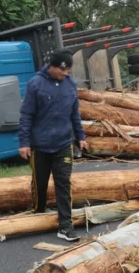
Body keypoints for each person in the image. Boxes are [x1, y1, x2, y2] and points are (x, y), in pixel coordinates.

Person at [18, 50, 88, 241]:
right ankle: (39, 211)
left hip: (63, 143)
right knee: (39, 183)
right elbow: (26, 115)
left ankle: (66, 226)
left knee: (63, 183)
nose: (66, 74)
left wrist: (80, 136)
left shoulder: (71, 85)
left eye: (68, 71)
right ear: (53, 66)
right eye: (62, 70)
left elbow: (74, 113)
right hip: (40, 145)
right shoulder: (36, 84)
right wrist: (24, 142)